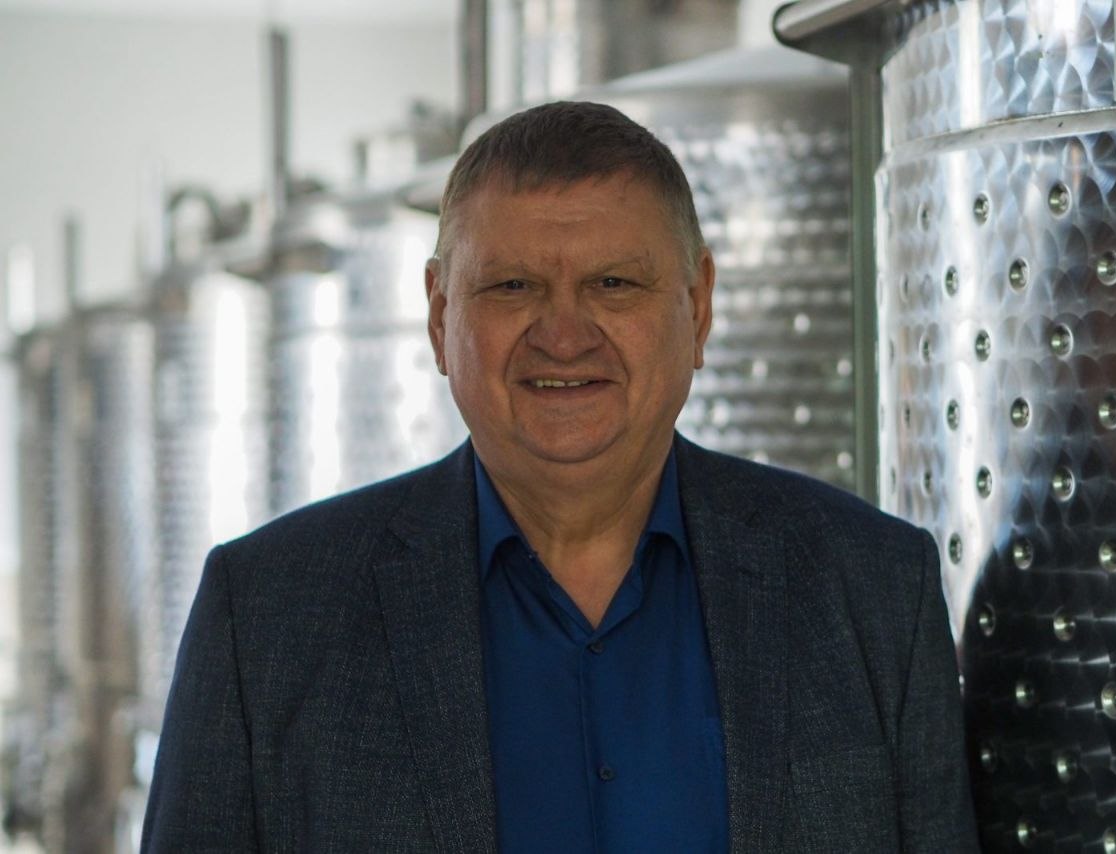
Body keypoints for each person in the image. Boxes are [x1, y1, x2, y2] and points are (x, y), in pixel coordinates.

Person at [141, 100, 978, 852]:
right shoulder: (267, 616)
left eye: (614, 284)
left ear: (697, 307)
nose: (565, 335)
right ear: (439, 316)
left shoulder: (873, 589)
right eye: (512, 287)